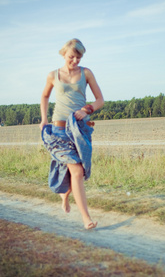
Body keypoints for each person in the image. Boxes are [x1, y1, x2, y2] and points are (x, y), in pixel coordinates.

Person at [39, 38, 104, 230]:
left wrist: (87, 109)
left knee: (78, 171)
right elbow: (44, 96)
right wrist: (43, 119)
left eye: (78, 57)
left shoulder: (86, 73)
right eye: (71, 57)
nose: (75, 60)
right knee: (76, 170)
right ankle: (86, 219)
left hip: (80, 128)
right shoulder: (53, 75)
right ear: (63, 54)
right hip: (59, 129)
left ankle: (65, 195)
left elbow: (100, 100)